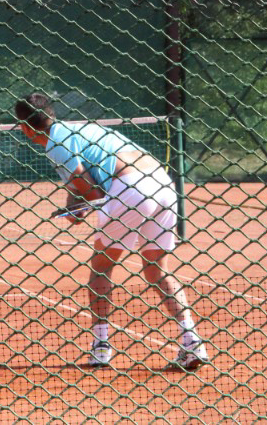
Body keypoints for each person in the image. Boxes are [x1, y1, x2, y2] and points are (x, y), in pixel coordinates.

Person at [14, 92, 209, 370]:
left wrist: (79, 209)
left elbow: (93, 193)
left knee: (101, 267)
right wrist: (76, 204)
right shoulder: (81, 129)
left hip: (130, 187)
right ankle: (192, 342)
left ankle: (101, 348)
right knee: (157, 270)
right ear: (51, 114)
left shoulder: (55, 144)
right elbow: (84, 185)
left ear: (25, 128)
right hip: (162, 184)